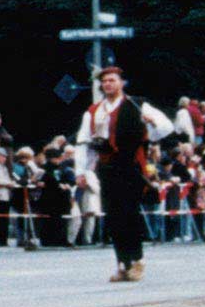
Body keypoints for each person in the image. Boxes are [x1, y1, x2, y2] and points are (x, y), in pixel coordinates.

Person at [75, 65, 175, 282]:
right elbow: (84, 142)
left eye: (112, 80)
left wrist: (152, 123)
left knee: (130, 213)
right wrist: (81, 171)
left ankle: (137, 260)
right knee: (113, 216)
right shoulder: (93, 111)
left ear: (121, 83)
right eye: (105, 81)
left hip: (131, 165)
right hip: (107, 167)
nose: (108, 84)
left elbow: (166, 128)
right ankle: (122, 263)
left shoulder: (137, 104)